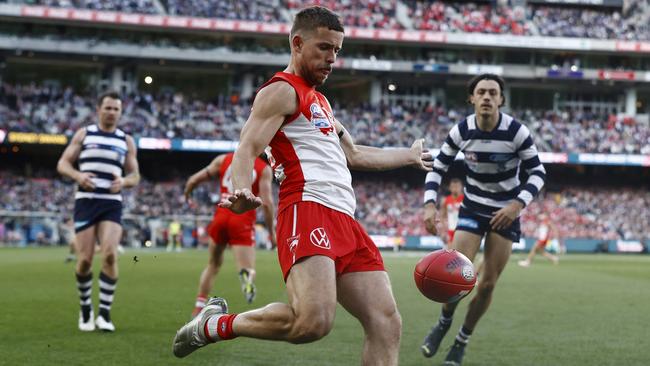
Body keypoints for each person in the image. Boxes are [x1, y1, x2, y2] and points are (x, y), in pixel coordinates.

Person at [172, 6, 432, 365]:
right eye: (324, 48)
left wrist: (409, 155)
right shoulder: (281, 90)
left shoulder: (321, 102)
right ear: (297, 43)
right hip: (307, 208)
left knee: (386, 322)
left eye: (337, 51)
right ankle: (214, 325)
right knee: (313, 322)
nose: (332, 59)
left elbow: (355, 154)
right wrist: (241, 187)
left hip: (345, 219)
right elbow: (247, 146)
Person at [421, 74, 546, 365]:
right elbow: (437, 167)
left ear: (501, 99)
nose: (487, 97)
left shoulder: (516, 131)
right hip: (473, 207)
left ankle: (461, 341)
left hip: (506, 212)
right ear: (472, 99)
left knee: (487, 284)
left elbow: (538, 172)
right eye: (482, 92)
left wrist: (516, 205)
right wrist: (429, 205)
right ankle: (443, 322)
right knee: (455, 278)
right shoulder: (462, 130)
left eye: (493, 92)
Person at [57, 91, 140, 332]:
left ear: (120, 113)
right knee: (84, 260)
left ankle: (104, 314)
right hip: (86, 201)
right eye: (108, 108)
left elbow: (135, 175)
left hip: (111, 202)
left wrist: (123, 182)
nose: (112, 112)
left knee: (110, 255)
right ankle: (86, 309)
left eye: (116, 109)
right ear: (99, 109)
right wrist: (78, 175)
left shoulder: (126, 140)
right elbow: (62, 164)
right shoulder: (84, 134)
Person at [183, 152, 276, 316]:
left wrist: (188, 195)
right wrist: (272, 233)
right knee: (248, 267)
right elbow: (267, 204)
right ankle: (247, 277)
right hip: (242, 219)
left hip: (221, 214)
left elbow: (193, 179)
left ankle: (199, 305)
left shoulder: (223, 159)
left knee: (213, 264)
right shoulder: (264, 169)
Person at [441, 178, 464, 247]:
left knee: (462, 252)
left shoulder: (465, 200)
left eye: (457, 187)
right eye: (453, 187)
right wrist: (443, 231)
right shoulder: (446, 200)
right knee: (450, 252)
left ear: (461, 187)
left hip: (462, 229)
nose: (455, 189)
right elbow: (443, 216)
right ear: (450, 188)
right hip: (451, 229)